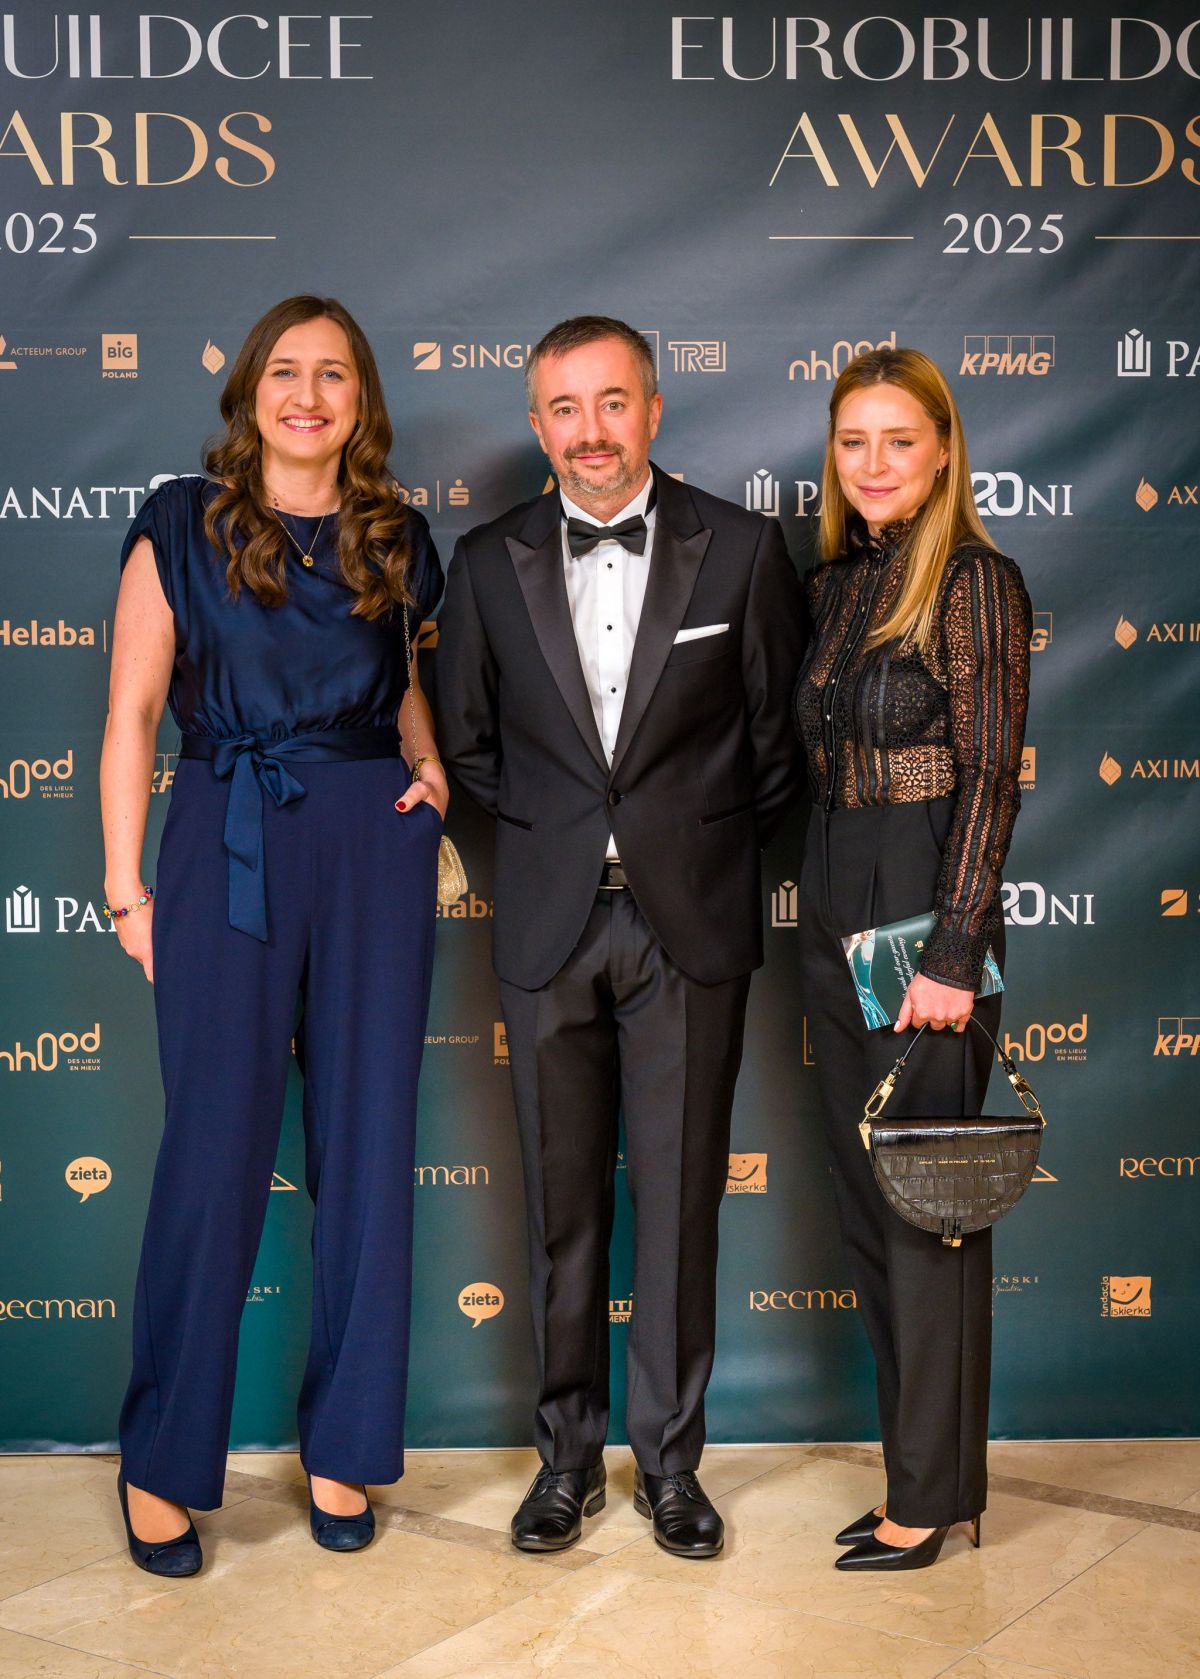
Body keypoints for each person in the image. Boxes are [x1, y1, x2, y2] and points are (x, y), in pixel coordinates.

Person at [435, 315, 806, 1558]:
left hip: (688, 923)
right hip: (550, 921)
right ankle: (564, 1459)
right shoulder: (485, 561)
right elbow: (469, 742)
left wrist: (679, 844)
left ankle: (671, 1465)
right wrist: (563, 834)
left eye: (611, 402)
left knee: (684, 1201)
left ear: (653, 408)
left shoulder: (742, 549)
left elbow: (775, 750)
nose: (589, 431)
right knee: (560, 1208)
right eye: (564, 408)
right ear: (538, 425)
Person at [100, 295, 446, 1574]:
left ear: (361, 401)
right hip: (226, 830)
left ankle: (345, 1444)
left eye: (333, 374)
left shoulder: (398, 536)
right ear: (250, 390)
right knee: (213, 1153)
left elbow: (405, 683)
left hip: (371, 843)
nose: (308, 395)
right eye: (286, 371)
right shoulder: (180, 525)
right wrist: (127, 888)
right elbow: (133, 715)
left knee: (369, 1149)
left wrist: (430, 768)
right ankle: (162, 1459)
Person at [792, 346, 1031, 1572]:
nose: (874, 462)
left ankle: (931, 1498)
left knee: (929, 1206)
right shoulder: (840, 583)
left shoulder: (976, 579)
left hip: (925, 898)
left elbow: (990, 776)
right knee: (873, 1198)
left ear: (943, 449)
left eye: (899, 438)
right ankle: (919, 1473)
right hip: (836, 887)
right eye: (853, 441)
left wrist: (952, 946)